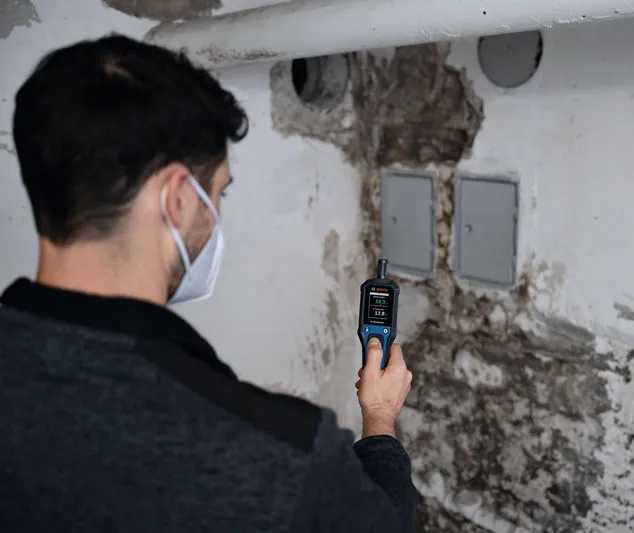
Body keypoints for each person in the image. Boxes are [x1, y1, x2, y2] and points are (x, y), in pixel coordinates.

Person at [0, 34, 416, 532]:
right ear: (177, 200)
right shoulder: (282, 453)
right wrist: (381, 421)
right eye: (216, 194)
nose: (214, 216)